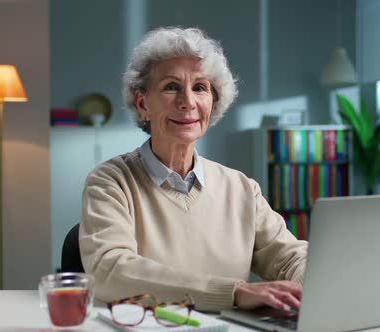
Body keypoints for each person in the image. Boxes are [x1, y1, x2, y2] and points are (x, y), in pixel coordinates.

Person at [80, 27, 307, 312]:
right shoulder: (110, 182)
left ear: (212, 103)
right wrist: (233, 292)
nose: (187, 102)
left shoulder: (242, 188)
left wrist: (316, 280)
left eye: (200, 87)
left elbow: (289, 258)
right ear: (142, 103)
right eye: (171, 87)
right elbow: (109, 272)